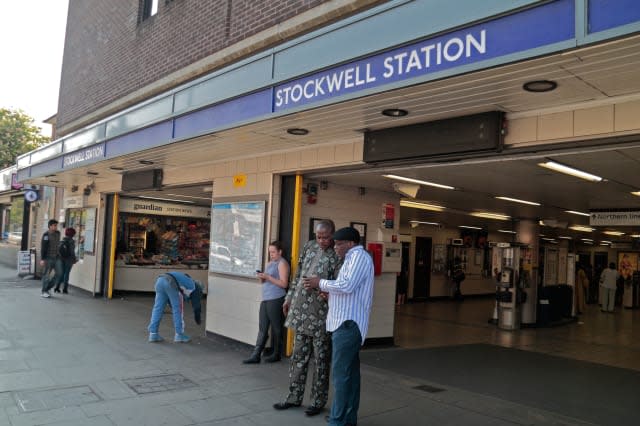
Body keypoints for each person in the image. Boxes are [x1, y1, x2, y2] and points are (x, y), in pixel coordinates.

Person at [304, 226, 375, 426]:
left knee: (341, 375)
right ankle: (346, 417)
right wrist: (330, 294)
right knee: (349, 375)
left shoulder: (359, 257)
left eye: (338, 243)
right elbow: (346, 288)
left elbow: (346, 285)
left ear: (350, 244)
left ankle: (337, 420)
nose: (335, 247)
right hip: (343, 322)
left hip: (348, 324)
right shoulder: (351, 259)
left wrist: (321, 283)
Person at [273, 219, 341, 417]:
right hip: (301, 312)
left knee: (321, 361)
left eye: (326, 237)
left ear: (333, 235)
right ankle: (294, 397)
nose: (322, 241)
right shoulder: (309, 246)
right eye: (319, 237)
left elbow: (338, 285)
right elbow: (297, 275)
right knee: (298, 358)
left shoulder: (337, 254)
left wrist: (320, 285)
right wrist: (289, 297)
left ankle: (318, 401)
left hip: (321, 316)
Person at [243, 241, 290, 364]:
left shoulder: (282, 263)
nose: (271, 254)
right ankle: (256, 354)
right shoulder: (269, 263)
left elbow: (284, 284)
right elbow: (266, 282)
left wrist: (268, 277)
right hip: (266, 298)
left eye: (273, 252)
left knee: (276, 327)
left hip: (276, 298)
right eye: (270, 252)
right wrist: (262, 278)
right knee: (262, 327)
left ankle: (277, 353)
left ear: (280, 252)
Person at [147, 271, 203, 343]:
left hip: (160, 280)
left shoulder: (186, 279)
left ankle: (153, 334)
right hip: (170, 283)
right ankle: (179, 335)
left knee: (157, 308)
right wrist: (198, 319)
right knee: (177, 309)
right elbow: (196, 306)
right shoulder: (195, 288)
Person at [40, 219, 62, 298]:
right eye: (54, 225)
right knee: (46, 275)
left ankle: (48, 288)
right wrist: (42, 259)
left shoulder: (58, 233)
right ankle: (44, 291)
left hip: (57, 257)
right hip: (48, 257)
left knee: (59, 274)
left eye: (56, 225)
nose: (56, 227)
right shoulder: (46, 235)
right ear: (50, 226)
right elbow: (43, 247)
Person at [54, 227, 78, 294]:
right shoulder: (71, 241)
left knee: (61, 273)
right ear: (72, 234)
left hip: (61, 259)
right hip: (69, 259)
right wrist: (74, 259)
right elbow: (72, 252)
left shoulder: (62, 240)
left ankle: (57, 287)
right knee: (66, 274)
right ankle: (65, 289)